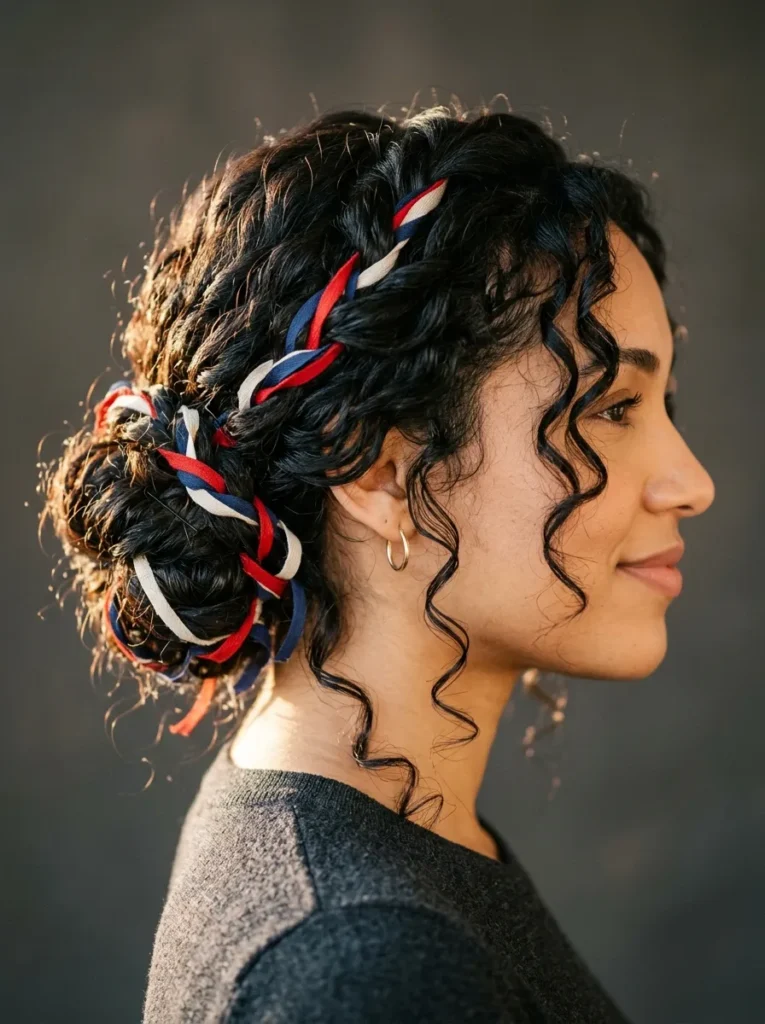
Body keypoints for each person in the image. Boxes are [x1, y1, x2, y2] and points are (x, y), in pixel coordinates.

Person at [40, 102, 715, 1022]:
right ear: (383, 469)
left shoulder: (361, 853)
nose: (690, 482)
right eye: (613, 408)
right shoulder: (365, 971)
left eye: (662, 403)